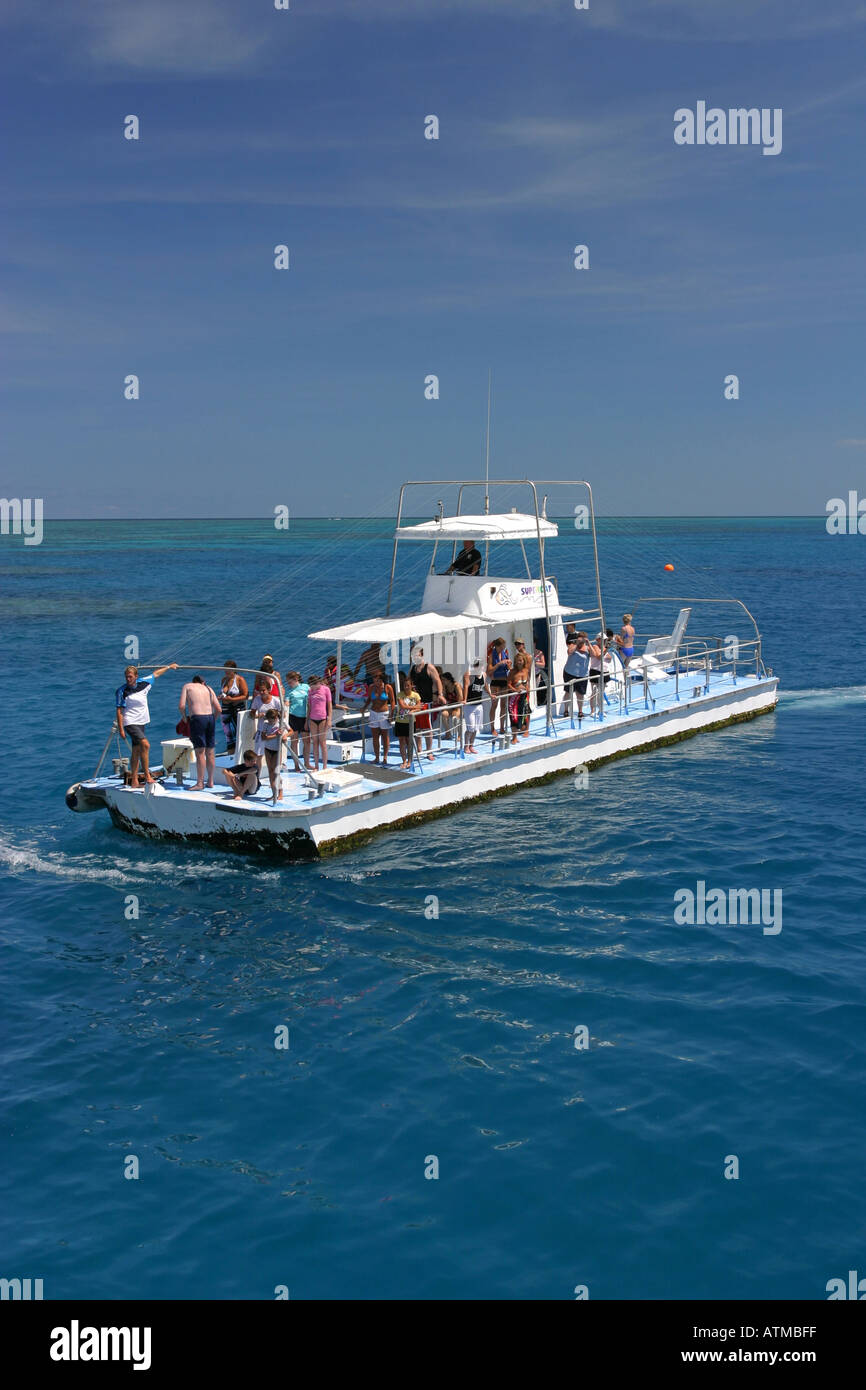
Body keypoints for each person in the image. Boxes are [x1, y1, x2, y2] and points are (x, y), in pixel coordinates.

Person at [115, 662, 178, 787]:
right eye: (126, 677)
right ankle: (148, 776)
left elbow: (156, 674)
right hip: (130, 722)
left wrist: (169, 667)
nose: (128, 679)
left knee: (136, 750)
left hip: (141, 721)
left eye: (130, 677)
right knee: (146, 744)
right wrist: (121, 729)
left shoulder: (144, 683)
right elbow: (119, 711)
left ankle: (134, 781)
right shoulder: (121, 691)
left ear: (136, 676)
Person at [178, 674, 223, 790]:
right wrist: (213, 719)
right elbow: (219, 709)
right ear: (202, 682)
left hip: (197, 719)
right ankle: (211, 781)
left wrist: (184, 718)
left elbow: (182, 706)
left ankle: (200, 783)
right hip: (210, 718)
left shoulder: (188, 686)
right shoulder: (209, 688)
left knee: (200, 753)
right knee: (210, 752)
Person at [410, 648, 444, 761]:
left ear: (422, 655)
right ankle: (419, 750)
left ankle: (429, 752)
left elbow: (437, 680)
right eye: (413, 655)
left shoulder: (429, 667)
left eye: (417, 655)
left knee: (427, 728)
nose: (415, 657)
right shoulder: (413, 669)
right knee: (417, 728)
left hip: (426, 702)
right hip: (415, 703)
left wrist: (440, 694)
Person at [249, 677, 282, 776]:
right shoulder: (257, 700)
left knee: (274, 756)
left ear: (268, 690)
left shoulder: (275, 701)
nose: (262, 692)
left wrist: (272, 717)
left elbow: (282, 715)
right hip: (261, 731)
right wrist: (258, 716)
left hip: (273, 733)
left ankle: (276, 776)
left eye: (263, 690)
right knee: (258, 755)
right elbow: (252, 714)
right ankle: (257, 777)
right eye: (260, 691)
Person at [363, 672, 396, 765]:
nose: (376, 682)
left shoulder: (388, 687)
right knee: (375, 737)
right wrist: (364, 707)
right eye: (374, 680)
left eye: (378, 680)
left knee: (385, 736)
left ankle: (385, 757)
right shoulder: (371, 687)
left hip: (384, 714)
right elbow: (369, 699)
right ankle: (377, 757)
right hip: (373, 713)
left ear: (382, 680)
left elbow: (393, 701)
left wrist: (391, 714)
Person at [258, 704, 288, 803]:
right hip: (268, 749)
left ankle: (280, 792)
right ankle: (273, 793)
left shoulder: (281, 723)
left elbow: (291, 731)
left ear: (276, 718)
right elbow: (264, 737)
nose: (270, 722)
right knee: (270, 772)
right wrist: (275, 735)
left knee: (276, 771)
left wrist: (285, 736)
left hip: (276, 750)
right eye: (269, 720)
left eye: (272, 720)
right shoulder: (266, 724)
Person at [219, 660, 248, 754]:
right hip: (225, 709)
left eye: (228, 670)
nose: (226, 671)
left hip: (237, 708)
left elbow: (245, 695)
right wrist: (221, 697)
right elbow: (223, 693)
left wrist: (232, 700)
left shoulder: (239, 679)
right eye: (225, 669)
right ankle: (230, 754)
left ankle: (240, 753)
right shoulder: (224, 680)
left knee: (239, 731)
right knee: (228, 733)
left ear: (234, 670)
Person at [560, 634, 591, 721]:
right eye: (579, 639)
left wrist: (589, 643)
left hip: (582, 675)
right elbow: (569, 652)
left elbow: (594, 655)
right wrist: (577, 644)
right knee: (568, 692)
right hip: (569, 673)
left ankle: (580, 712)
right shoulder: (573, 646)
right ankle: (566, 710)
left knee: (580, 694)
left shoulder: (588, 648)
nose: (580, 641)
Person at [462, 658, 489, 755]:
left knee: (476, 728)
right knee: (470, 728)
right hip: (469, 706)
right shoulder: (469, 675)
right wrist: (464, 699)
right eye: (477, 666)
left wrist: (490, 694)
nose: (479, 668)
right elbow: (465, 686)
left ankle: (471, 746)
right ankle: (466, 746)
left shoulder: (484, 675)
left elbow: (485, 685)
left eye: (480, 666)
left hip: (478, 705)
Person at [284, 670, 310, 768]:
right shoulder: (289, 691)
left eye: (290, 682)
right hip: (293, 717)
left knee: (307, 741)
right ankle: (296, 765)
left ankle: (307, 763)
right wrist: (286, 703)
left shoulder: (306, 687)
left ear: (296, 680)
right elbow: (287, 702)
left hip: (304, 718)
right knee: (294, 741)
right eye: (287, 682)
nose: (289, 684)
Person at [306, 673, 332, 771]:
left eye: (312, 685)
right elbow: (309, 706)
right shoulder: (310, 691)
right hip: (312, 719)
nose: (311, 688)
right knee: (315, 742)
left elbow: (329, 705)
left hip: (322, 719)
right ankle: (316, 766)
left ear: (317, 683)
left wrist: (329, 719)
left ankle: (325, 766)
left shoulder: (326, 689)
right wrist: (306, 720)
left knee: (322, 742)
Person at [394, 674, 421, 769]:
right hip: (400, 722)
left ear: (411, 685)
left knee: (409, 742)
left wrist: (413, 710)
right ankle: (404, 761)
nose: (406, 687)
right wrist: (415, 707)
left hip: (410, 722)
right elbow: (403, 706)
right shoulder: (400, 694)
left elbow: (419, 708)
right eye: (404, 685)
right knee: (401, 742)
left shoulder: (416, 695)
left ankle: (410, 760)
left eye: (408, 685)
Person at [486, 637, 511, 738]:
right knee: (494, 705)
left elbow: (509, 669)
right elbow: (489, 671)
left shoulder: (505, 654)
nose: (503, 649)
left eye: (504, 647)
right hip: (495, 683)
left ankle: (502, 727)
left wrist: (509, 665)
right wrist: (499, 664)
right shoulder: (492, 656)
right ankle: (492, 728)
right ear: (497, 646)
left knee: (503, 706)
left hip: (504, 682)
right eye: (501, 647)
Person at [508, 645, 532, 742]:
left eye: (521, 660)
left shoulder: (526, 670)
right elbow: (508, 684)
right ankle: (514, 737)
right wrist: (515, 690)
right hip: (514, 698)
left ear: (524, 661)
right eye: (518, 660)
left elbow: (528, 681)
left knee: (526, 712)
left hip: (524, 696)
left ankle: (526, 730)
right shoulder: (512, 672)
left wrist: (528, 688)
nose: (519, 662)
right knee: (513, 717)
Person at [438, 669, 463, 741]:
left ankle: (459, 735)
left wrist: (456, 709)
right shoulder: (445, 687)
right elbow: (445, 699)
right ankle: (448, 733)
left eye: (443, 680)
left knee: (455, 716)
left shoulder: (456, 686)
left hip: (458, 706)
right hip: (450, 706)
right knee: (443, 714)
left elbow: (460, 699)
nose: (442, 681)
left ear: (448, 680)